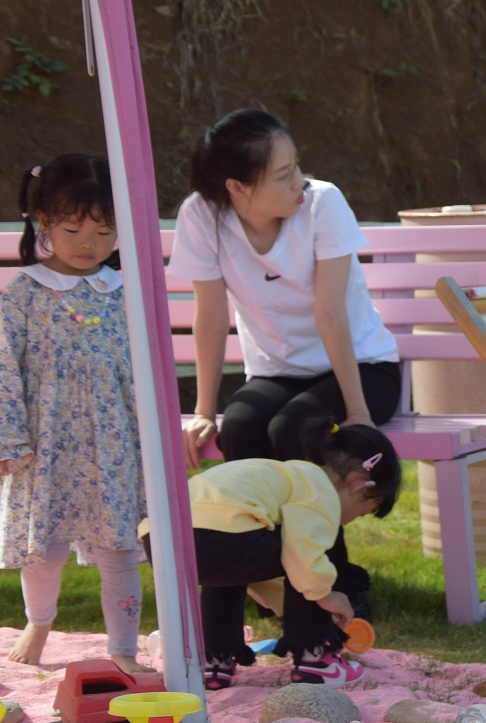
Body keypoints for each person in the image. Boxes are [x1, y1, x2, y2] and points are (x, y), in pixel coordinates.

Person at [171, 109, 400, 621]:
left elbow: (330, 313)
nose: (299, 181)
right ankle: (265, 580)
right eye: (282, 175)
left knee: (294, 429)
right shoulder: (201, 215)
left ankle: (334, 585)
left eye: (296, 166)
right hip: (276, 373)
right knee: (242, 428)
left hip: (364, 368)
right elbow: (211, 316)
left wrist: (359, 413)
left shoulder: (323, 202)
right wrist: (204, 410)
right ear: (237, 188)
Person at [0, 156, 146, 675]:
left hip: (110, 445)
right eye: (73, 230)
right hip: (44, 443)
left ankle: (124, 648)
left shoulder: (126, 291)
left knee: (118, 548)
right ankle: (39, 622)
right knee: (42, 548)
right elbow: (3, 367)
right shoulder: (25, 292)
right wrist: (2, 440)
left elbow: (147, 368)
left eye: (103, 231)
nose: (88, 243)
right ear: (43, 222)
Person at [145, 422, 401, 689]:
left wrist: (292, 606)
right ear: (358, 484)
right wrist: (326, 595)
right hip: (219, 536)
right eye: (361, 512)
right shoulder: (320, 489)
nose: (347, 521)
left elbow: (246, 565)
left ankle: (216, 661)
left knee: (226, 576)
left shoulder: (284, 475)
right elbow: (301, 554)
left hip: (162, 540)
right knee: (306, 557)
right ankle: (315, 661)